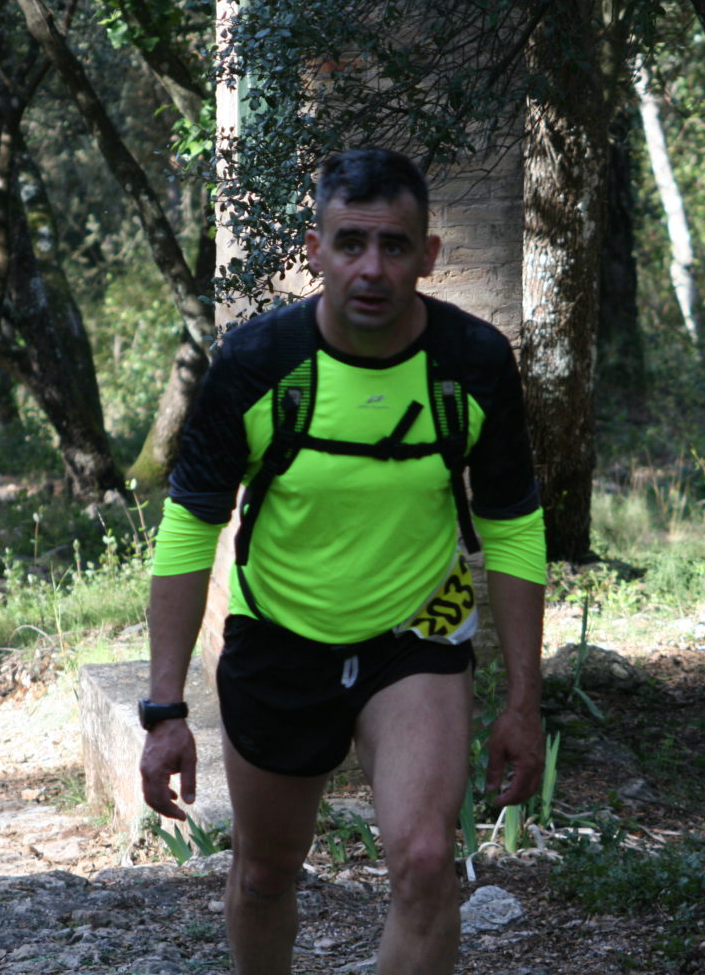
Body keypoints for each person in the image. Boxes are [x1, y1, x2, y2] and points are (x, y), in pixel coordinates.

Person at [139, 147, 546, 975]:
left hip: (416, 638)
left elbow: (512, 528)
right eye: (351, 243)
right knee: (264, 875)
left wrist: (523, 703)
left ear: (428, 256)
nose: (372, 268)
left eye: (395, 246)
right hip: (280, 638)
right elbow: (187, 530)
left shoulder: (472, 362)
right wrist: (165, 710)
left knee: (427, 862)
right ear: (315, 251)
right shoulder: (257, 363)